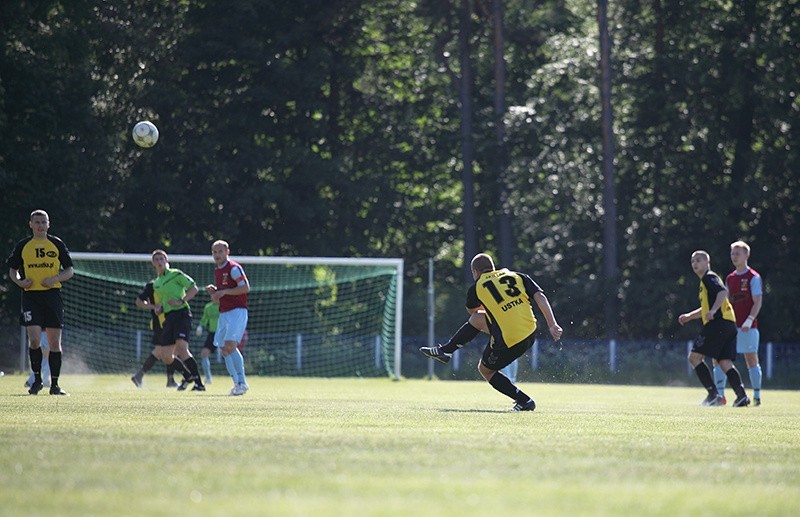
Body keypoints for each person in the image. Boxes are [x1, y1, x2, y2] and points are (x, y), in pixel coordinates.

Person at [419, 253, 562, 411]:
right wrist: (552, 324)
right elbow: (539, 296)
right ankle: (446, 351)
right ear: (493, 268)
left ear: (475, 272)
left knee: (485, 369)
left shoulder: (477, 286)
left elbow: (472, 310)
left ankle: (525, 401)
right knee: (478, 319)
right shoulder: (517, 275)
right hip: (530, 331)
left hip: (510, 339)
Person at [6, 209, 74, 396]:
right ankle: (36, 380)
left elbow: (69, 270)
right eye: (37, 222)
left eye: (43, 222)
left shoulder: (56, 244)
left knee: (54, 343)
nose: (40, 226)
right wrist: (20, 281)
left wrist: (54, 279)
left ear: (48, 224)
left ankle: (55, 385)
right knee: (34, 340)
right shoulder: (23, 245)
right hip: (31, 297)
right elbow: (12, 270)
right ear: (30, 224)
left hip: (52, 296)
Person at [678, 250, 750, 407]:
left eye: (698, 260)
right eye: (692, 261)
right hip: (729, 324)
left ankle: (713, 394)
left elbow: (723, 292)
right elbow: (706, 308)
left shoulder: (709, 277)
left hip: (718, 324)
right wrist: (689, 316)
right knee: (724, 362)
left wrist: (713, 311)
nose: (695, 264)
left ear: (707, 263)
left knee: (694, 357)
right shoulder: (705, 282)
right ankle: (742, 396)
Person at [713, 241, 764, 406]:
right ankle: (720, 396)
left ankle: (756, 396)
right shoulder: (730, 278)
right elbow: (726, 302)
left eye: (737, 253)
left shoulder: (753, 277)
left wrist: (750, 319)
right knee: (719, 358)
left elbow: (757, 301)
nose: (734, 256)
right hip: (730, 327)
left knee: (751, 359)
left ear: (746, 255)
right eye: (732, 253)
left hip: (748, 327)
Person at [149, 249, 205, 391]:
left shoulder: (176, 274)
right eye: (156, 259)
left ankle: (199, 383)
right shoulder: (156, 284)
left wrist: (181, 301)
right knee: (166, 356)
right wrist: (159, 308)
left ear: (167, 261)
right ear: (153, 264)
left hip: (181, 314)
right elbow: (162, 302)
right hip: (169, 318)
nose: (159, 261)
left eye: (162, 258)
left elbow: (194, 288)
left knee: (182, 349)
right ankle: (187, 376)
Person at [131, 278, 194, 388]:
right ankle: (186, 376)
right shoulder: (152, 285)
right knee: (162, 352)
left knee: (167, 352)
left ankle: (170, 380)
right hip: (161, 323)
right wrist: (154, 306)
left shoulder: (172, 281)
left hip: (171, 322)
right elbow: (139, 302)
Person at [205, 240, 250, 396]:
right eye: (214, 252)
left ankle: (242, 383)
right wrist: (215, 292)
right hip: (224, 313)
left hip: (237, 311)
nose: (217, 255)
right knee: (224, 349)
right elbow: (221, 295)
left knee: (230, 345)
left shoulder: (234, 268)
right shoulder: (218, 270)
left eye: (220, 251)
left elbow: (245, 288)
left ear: (227, 252)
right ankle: (236, 384)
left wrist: (223, 292)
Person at [195, 300, 220, 384]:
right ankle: (208, 378)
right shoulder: (208, 307)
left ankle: (238, 377)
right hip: (212, 334)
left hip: (224, 333)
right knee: (204, 353)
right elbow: (204, 319)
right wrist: (200, 326)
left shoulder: (224, 306)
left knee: (229, 353)